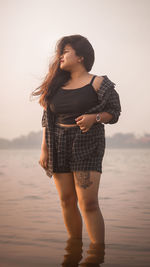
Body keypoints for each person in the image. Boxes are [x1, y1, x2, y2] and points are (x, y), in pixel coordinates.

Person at [31, 34, 121, 245]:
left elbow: (114, 112)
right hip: (57, 144)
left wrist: (94, 118)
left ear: (80, 56)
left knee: (88, 203)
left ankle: (97, 255)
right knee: (66, 201)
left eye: (65, 52)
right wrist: (44, 149)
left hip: (87, 143)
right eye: (60, 53)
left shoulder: (99, 83)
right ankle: (73, 250)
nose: (60, 57)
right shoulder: (55, 86)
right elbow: (47, 118)